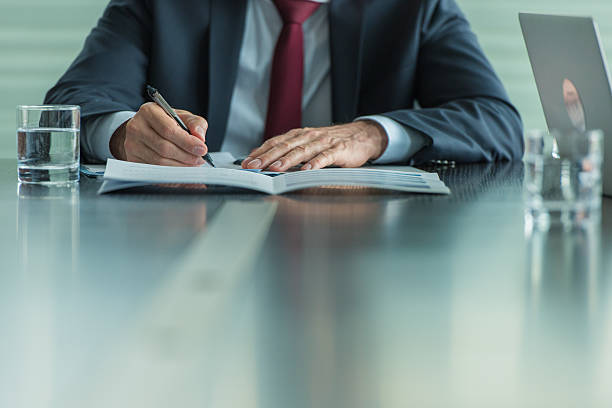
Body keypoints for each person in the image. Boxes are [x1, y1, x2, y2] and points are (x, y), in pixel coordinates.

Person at [45, 0, 523, 172]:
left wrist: (371, 135)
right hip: (184, 236)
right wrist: (123, 134)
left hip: (357, 244)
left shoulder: (413, 7)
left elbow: (498, 121)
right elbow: (69, 105)